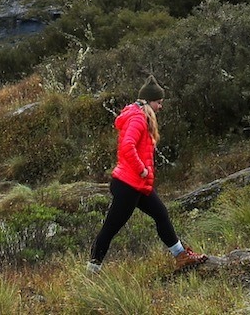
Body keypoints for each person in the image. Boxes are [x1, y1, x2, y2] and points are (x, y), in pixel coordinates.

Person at [88, 96, 206, 273]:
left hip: (137, 185)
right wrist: (142, 169)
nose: (161, 106)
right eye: (158, 102)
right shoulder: (138, 118)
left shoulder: (140, 117)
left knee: (161, 213)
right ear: (149, 101)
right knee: (111, 228)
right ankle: (92, 270)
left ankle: (181, 256)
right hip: (128, 185)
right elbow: (128, 146)